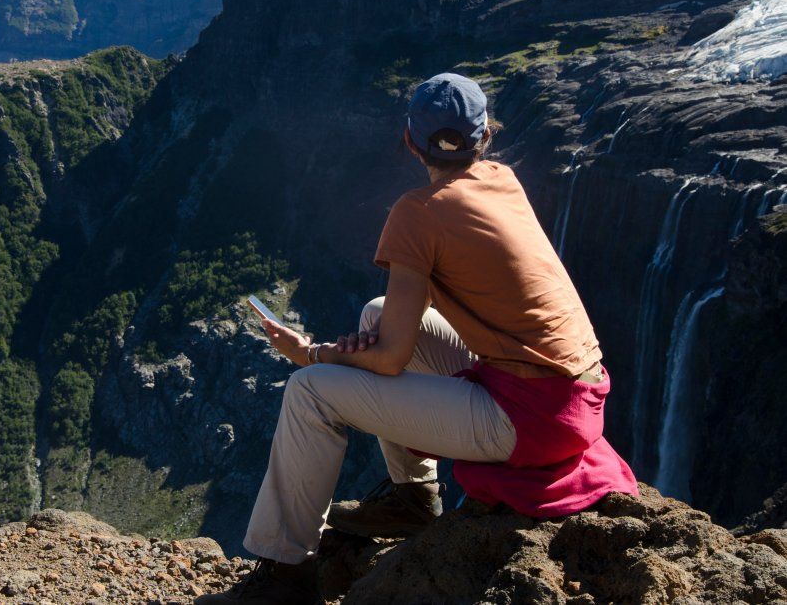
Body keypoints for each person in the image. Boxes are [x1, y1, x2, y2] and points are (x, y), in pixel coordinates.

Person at [195, 73, 638, 605]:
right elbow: (397, 332)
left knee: (310, 389)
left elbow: (389, 360)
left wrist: (310, 353)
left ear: (409, 140)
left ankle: (287, 577)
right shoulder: (503, 179)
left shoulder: (417, 212)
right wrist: (368, 348)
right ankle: (415, 499)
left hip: (530, 419)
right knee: (377, 312)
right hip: (577, 397)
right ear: (486, 138)